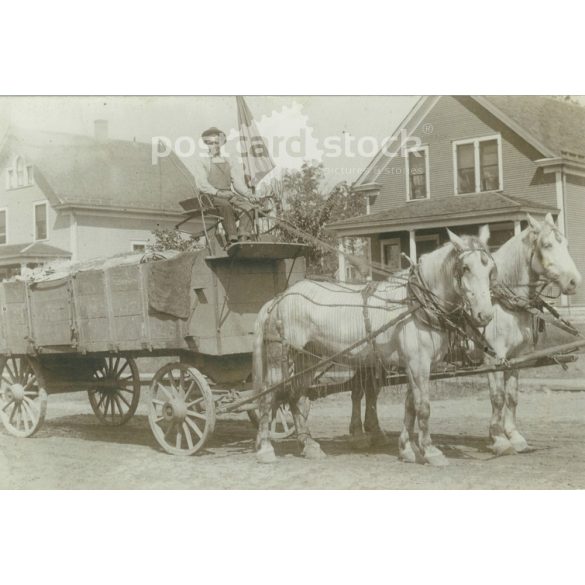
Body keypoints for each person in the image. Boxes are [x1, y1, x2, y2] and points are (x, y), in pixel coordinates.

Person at [193, 127, 256, 243]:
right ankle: (232, 238)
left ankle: (243, 236)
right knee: (226, 206)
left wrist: (248, 194)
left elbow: (236, 182)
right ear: (206, 144)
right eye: (211, 143)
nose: (214, 146)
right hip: (211, 195)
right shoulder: (203, 161)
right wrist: (218, 193)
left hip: (227, 193)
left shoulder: (228, 161)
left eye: (217, 143)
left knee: (249, 207)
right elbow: (202, 184)